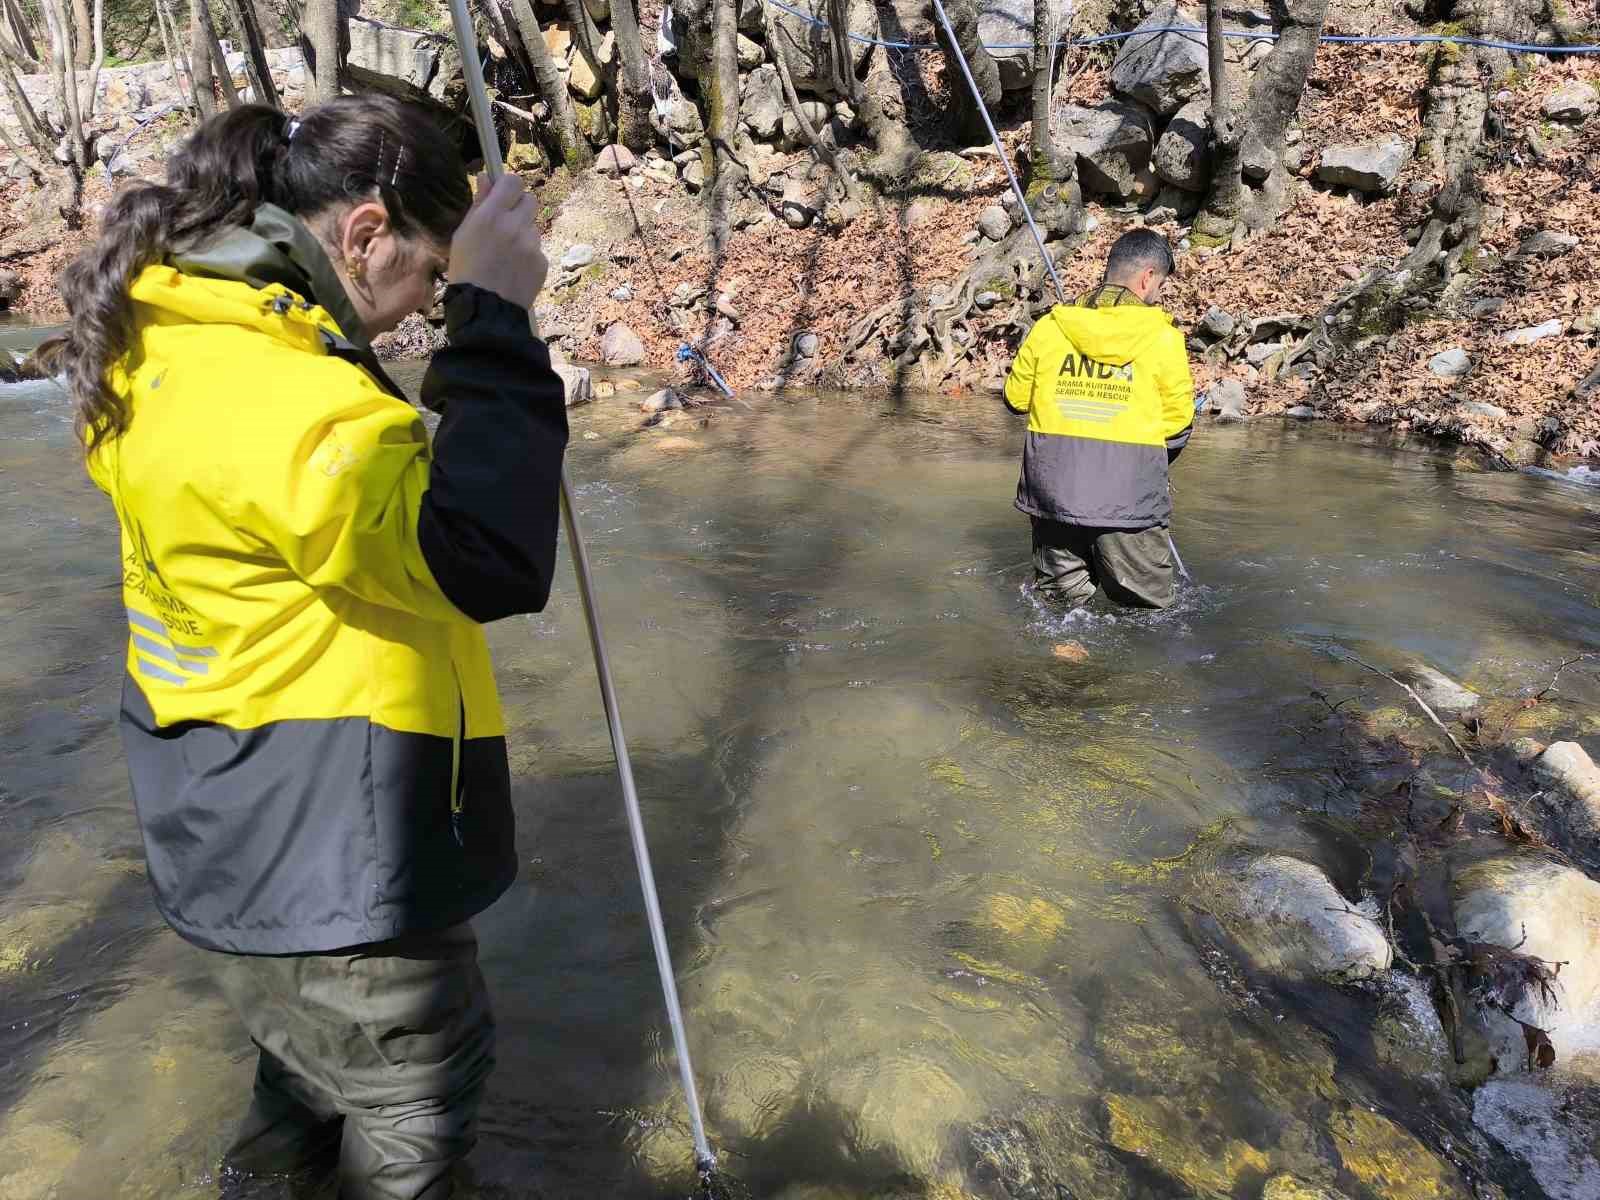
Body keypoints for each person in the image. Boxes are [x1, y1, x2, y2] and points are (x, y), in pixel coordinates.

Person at [39, 97, 567, 1199]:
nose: (422, 304)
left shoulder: (168, 338)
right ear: (365, 232)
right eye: (424, 272)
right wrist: (495, 322)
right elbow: (483, 561)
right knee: (412, 1097)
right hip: (336, 846)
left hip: (230, 820)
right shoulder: (288, 395)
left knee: (304, 1077)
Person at [1003, 229, 1195, 610]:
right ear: (1147, 278)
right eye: (1161, 285)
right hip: (1129, 501)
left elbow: (1014, 398)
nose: (1159, 295)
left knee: (1061, 612)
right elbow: (1177, 426)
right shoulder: (1164, 338)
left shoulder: (1050, 327)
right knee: (1148, 616)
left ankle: (1064, 665)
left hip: (1052, 497)